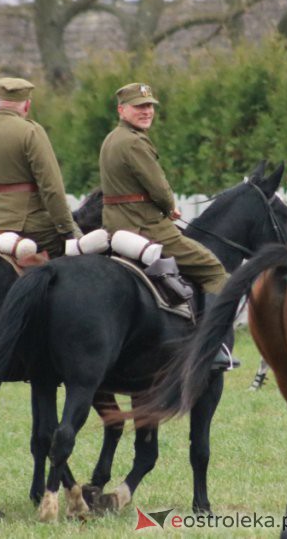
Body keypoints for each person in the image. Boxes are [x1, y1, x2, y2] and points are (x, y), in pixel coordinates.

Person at [99, 82, 235, 370]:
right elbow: (159, 189)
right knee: (212, 268)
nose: (146, 111)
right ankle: (212, 348)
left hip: (115, 225)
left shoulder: (112, 139)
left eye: (149, 106)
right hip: (145, 226)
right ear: (122, 110)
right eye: (139, 107)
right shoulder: (135, 142)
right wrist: (168, 207)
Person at [0, 77, 80, 259]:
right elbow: (51, 189)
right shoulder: (30, 132)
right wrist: (68, 231)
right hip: (27, 224)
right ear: (26, 106)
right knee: (80, 257)